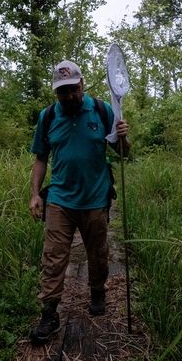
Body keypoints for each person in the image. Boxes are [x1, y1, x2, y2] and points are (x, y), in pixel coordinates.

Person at [28, 59, 130, 345]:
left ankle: (97, 290)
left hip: (95, 198)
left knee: (97, 252)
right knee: (53, 257)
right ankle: (49, 313)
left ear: (82, 84)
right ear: (55, 92)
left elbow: (122, 153)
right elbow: (40, 159)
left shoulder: (102, 110)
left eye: (73, 89)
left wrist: (123, 137)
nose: (69, 96)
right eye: (63, 92)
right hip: (60, 199)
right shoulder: (48, 117)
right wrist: (35, 194)